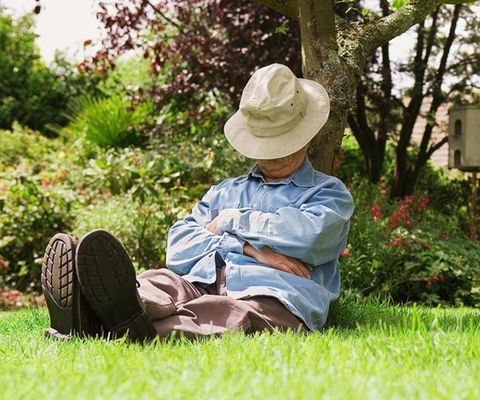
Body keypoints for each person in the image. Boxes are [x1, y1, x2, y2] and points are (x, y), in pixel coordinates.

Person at [41, 63, 354, 342]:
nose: (273, 152)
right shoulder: (225, 192)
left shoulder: (327, 194)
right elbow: (178, 247)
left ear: (306, 136)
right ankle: (111, 311)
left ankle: (110, 324)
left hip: (272, 295)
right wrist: (248, 248)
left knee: (230, 314)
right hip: (201, 282)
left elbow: (310, 236)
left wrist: (229, 221)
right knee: (159, 282)